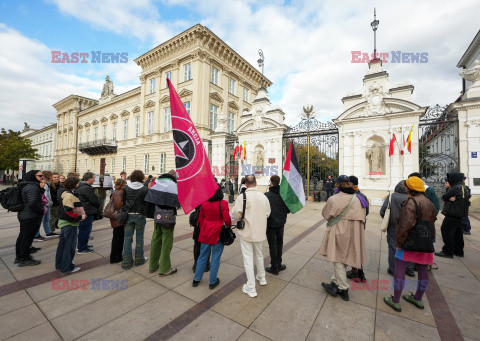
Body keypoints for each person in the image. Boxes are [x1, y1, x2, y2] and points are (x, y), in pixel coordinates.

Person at [384, 176, 436, 312]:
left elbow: (405, 225)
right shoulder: (428, 202)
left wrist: (399, 243)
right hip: (425, 241)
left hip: (409, 241)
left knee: (399, 269)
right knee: (423, 270)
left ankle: (395, 300)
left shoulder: (411, 202)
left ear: (409, 188)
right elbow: (432, 221)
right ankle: (418, 298)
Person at [320, 175, 366, 301]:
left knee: (338, 258)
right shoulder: (359, 199)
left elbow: (325, 214)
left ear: (338, 185)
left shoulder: (334, 199)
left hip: (340, 230)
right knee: (345, 257)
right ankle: (334, 283)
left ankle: (343, 288)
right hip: (355, 232)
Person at [232, 175, 271, 298]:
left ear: (246, 184)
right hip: (259, 231)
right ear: (256, 182)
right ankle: (262, 277)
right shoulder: (263, 197)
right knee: (259, 255)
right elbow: (268, 213)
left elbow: (236, 214)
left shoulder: (241, 197)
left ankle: (251, 287)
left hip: (247, 231)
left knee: (248, 259)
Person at [193, 186, 232, 289]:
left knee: (202, 256)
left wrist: (205, 227)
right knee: (215, 257)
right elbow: (227, 219)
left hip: (206, 232)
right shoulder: (223, 203)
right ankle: (212, 281)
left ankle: (196, 279)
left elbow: (200, 220)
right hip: (218, 232)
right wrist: (227, 225)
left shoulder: (204, 203)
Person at [145, 170, 180, 275]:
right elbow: (178, 203)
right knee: (166, 242)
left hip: (157, 215)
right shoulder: (173, 185)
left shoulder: (157, 182)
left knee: (156, 239)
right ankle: (164, 269)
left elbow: (150, 200)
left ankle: (153, 266)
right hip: (168, 217)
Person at [380, 180, 415, 277]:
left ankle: (393, 269)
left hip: (394, 226)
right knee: (409, 247)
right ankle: (409, 269)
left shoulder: (392, 196)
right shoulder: (412, 197)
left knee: (393, 247)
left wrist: (388, 219)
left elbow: (383, 211)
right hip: (409, 227)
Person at [15, 170, 45, 267]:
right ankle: (24, 259)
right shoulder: (32, 187)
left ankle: (19, 257)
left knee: (23, 236)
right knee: (27, 238)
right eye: (40, 176)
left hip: (25, 215)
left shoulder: (26, 185)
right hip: (30, 216)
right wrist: (41, 210)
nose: (42, 178)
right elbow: (32, 203)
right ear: (33, 176)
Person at [55, 177, 85, 274]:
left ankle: (61, 264)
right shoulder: (68, 195)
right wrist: (80, 217)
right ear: (75, 184)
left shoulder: (67, 193)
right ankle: (67, 267)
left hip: (66, 223)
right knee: (69, 246)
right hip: (69, 224)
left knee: (63, 245)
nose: (79, 184)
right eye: (77, 183)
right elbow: (68, 212)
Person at [435, 173, 468, 258]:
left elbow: (445, 196)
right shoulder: (463, 186)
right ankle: (458, 251)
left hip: (453, 213)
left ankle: (448, 251)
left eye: (450, 178)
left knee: (446, 230)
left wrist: (454, 198)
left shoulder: (456, 187)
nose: (449, 180)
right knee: (457, 232)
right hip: (460, 213)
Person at [121, 170, 149, 270]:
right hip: (140, 215)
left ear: (132, 177)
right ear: (141, 177)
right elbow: (147, 203)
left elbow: (123, 201)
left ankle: (126, 262)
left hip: (128, 215)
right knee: (139, 238)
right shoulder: (145, 189)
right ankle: (139, 259)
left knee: (127, 239)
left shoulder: (127, 187)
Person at [346, 175, 370, 282]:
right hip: (361, 226)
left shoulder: (350, 196)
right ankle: (361, 273)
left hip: (352, 227)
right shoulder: (363, 196)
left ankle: (355, 273)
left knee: (353, 250)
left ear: (351, 184)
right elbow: (367, 212)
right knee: (358, 249)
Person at [264, 175, 290, 275]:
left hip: (270, 224)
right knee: (279, 243)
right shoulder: (283, 195)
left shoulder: (266, 195)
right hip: (280, 223)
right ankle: (278, 264)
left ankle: (275, 266)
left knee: (272, 245)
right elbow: (288, 210)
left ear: (271, 182)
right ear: (278, 182)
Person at [75, 172, 101, 254]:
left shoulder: (81, 186)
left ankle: (83, 245)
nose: (94, 180)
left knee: (83, 230)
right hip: (87, 211)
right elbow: (95, 200)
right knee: (85, 230)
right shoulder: (86, 188)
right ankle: (82, 248)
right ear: (89, 179)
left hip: (83, 210)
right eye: (93, 178)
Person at [109, 179, 127, 263]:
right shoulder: (118, 193)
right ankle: (115, 257)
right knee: (118, 238)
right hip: (118, 218)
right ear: (122, 185)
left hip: (117, 218)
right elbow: (119, 205)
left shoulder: (117, 192)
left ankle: (117, 256)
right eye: (125, 184)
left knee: (118, 238)